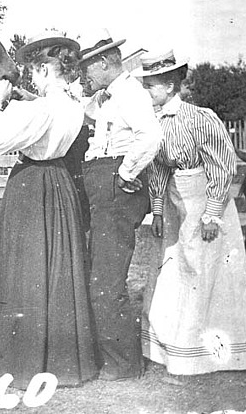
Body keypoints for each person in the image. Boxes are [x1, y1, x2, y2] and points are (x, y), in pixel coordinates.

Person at [0, 30, 99, 389]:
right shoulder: (72, 106)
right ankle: (63, 359)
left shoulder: (39, 109)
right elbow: (52, 121)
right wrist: (26, 100)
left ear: (42, 69)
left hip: (30, 186)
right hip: (59, 185)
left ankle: (20, 358)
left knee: (24, 270)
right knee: (56, 269)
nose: (30, 77)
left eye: (33, 70)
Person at [136, 49, 246, 381]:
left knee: (205, 270)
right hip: (176, 202)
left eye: (151, 85)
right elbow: (158, 168)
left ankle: (215, 354)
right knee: (173, 270)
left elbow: (222, 165)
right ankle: (174, 349)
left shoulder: (199, 117)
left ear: (170, 84)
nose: (147, 92)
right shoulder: (153, 122)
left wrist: (212, 215)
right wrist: (159, 209)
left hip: (206, 201)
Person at [77, 28, 162, 381]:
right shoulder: (109, 97)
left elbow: (152, 136)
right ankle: (112, 356)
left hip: (115, 182)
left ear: (103, 61)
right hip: (102, 180)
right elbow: (87, 115)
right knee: (100, 274)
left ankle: (123, 363)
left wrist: (126, 173)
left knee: (106, 280)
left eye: (88, 68)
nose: (85, 76)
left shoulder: (130, 93)